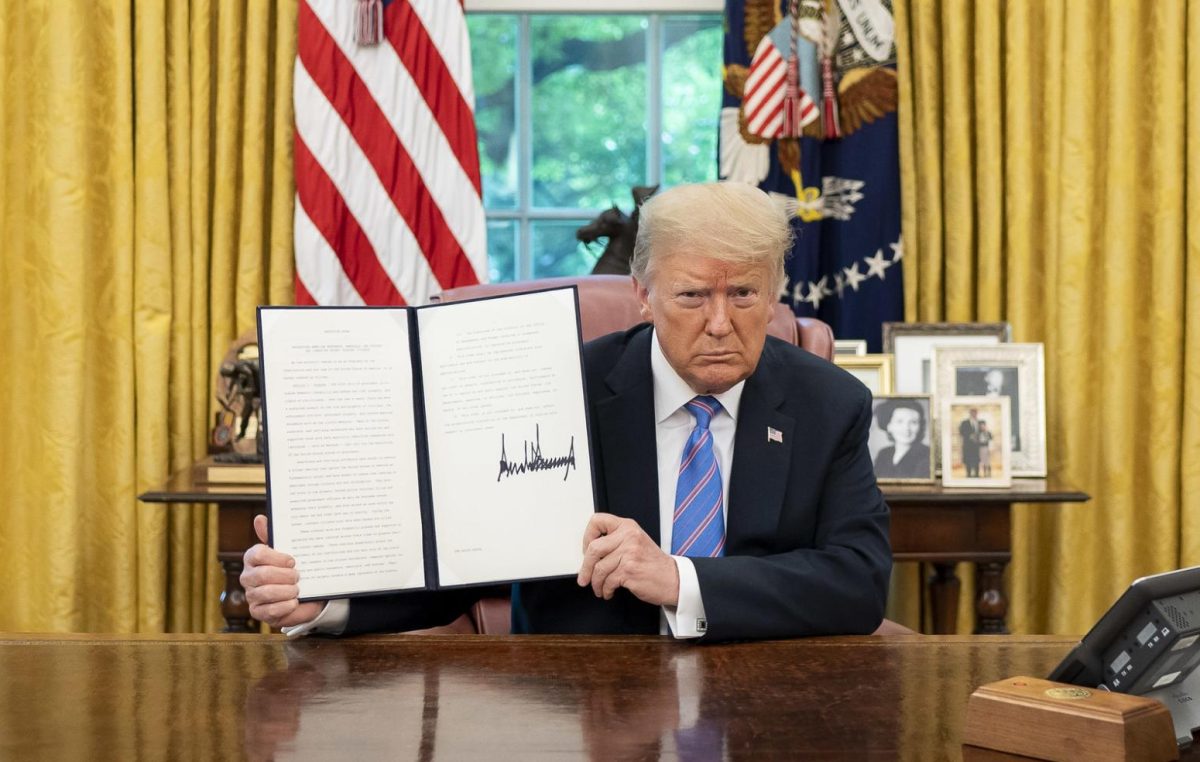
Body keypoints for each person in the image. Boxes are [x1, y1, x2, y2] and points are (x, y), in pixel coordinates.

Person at [241, 182, 892, 642]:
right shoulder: (557, 388)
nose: (720, 323)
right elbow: (467, 561)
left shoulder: (828, 403)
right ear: (642, 293)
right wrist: (328, 599)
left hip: (767, 700)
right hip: (576, 699)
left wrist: (678, 579)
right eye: (693, 295)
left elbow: (857, 582)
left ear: (775, 291)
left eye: (745, 293)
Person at [872, 399, 931, 479]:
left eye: (913, 422)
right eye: (899, 421)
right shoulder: (884, 454)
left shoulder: (927, 455)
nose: (906, 428)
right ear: (888, 426)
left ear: (920, 426)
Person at [959, 408, 980, 477]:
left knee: (976, 460)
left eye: (975, 413)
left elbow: (983, 432)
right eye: (972, 413)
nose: (974, 414)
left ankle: (977, 474)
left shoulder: (979, 422)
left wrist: (977, 437)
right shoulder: (964, 422)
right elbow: (961, 432)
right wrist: (969, 436)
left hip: (977, 446)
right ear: (970, 414)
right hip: (968, 445)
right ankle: (968, 474)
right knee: (968, 460)